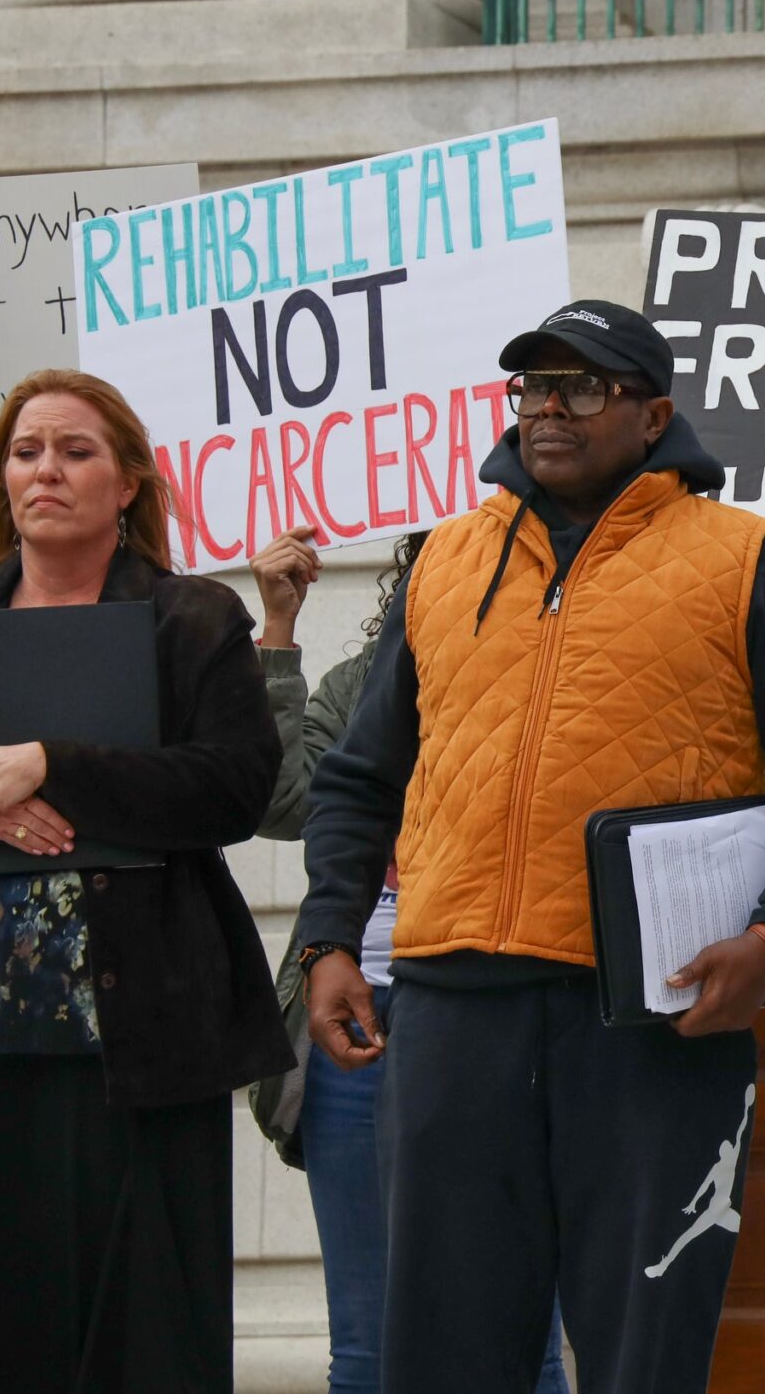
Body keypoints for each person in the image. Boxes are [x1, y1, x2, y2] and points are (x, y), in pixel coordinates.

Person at [292, 299, 765, 1394]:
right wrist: (329, 937)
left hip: (652, 1025)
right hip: (449, 1010)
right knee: (443, 1357)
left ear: (653, 414)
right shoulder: (444, 561)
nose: (548, 409)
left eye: (584, 387)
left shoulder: (740, 558)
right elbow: (359, 778)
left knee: (639, 1361)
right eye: (531, 386)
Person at [0, 368, 290, 1393]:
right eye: (26, 452)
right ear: (2, 482)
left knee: (133, 1345)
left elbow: (235, 792)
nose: (46, 471)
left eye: (75, 452)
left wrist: (50, 765)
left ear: (127, 483)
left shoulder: (192, 620)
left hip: (134, 1050)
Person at [244, 526, 575, 1394]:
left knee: (527, 1339)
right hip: (359, 1022)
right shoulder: (362, 688)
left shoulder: (560, 679)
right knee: (370, 1343)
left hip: (506, 1012)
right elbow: (281, 800)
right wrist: (277, 628)